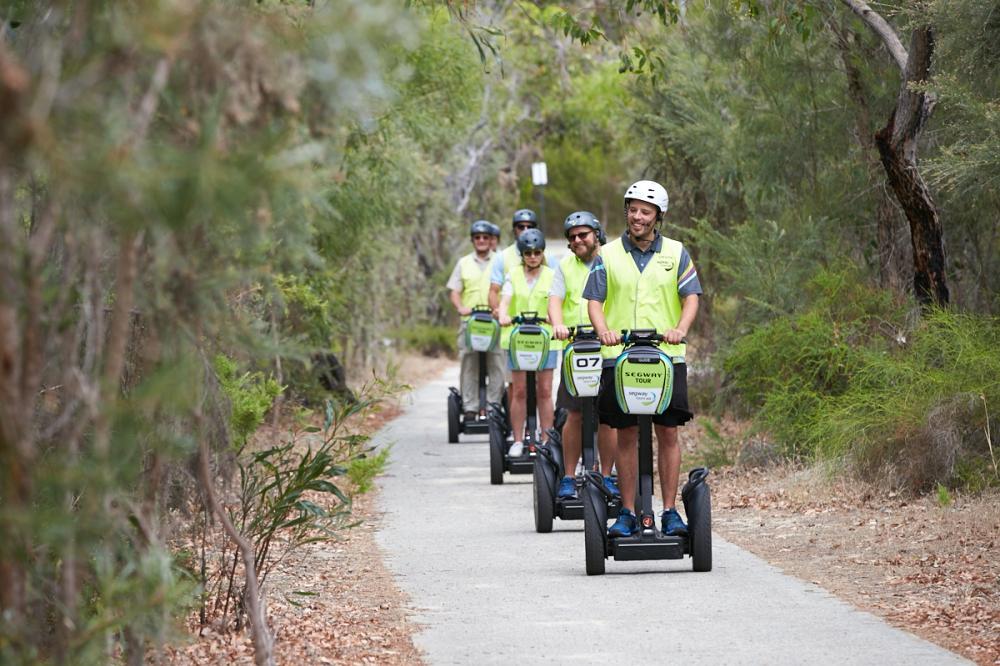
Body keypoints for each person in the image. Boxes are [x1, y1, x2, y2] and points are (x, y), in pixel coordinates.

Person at [583, 180, 702, 537]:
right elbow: (594, 300)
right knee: (626, 433)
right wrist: (603, 330)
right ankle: (629, 512)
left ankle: (668, 511)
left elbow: (691, 297)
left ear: (657, 216)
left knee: (668, 432)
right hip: (620, 357)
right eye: (632, 209)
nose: (637, 216)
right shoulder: (608, 254)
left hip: (666, 357)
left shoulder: (677, 252)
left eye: (644, 211)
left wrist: (680, 329)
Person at [548, 211, 618, 500]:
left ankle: (607, 475)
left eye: (583, 234)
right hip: (576, 350)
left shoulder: (613, 261)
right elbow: (555, 301)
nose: (577, 240)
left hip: (608, 350)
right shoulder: (565, 266)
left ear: (597, 234)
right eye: (572, 237)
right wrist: (558, 325)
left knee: (609, 416)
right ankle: (568, 476)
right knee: (574, 414)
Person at [498, 228, 556, 457]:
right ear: (522, 254)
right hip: (519, 338)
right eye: (528, 252)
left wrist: (555, 318)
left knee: (544, 390)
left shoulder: (552, 275)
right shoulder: (513, 274)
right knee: (519, 390)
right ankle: (518, 439)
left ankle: (546, 438)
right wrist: (503, 314)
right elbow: (505, 299)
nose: (533, 256)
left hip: (546, 339)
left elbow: (555, 301)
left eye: (537, 252)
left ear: (543, 253)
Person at [446, 220, 506, 420]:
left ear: (491, 240)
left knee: (497, 363)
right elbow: (454, 291)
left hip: (494, 321)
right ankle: (470, 407)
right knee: (468, 363)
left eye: (485, 237)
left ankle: (493, 406)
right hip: (470, 322)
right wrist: (460, 307)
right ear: (472, 240)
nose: (481, 241)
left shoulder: (500, 260)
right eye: (477, 237)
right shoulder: (463, 262)